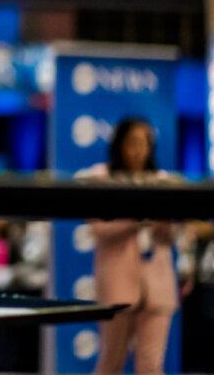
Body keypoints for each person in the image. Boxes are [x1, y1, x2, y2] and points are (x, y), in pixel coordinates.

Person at [83, 118, 178, 374]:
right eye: (133, 142)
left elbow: (171, 235)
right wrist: (137, 218)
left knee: (151, 365)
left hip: (157, 285)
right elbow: (99, 228)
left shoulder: (163, 181)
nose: (139, 149)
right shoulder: (100, 177)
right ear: (120, 144)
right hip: (118, 285)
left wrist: (164, 222)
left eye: (146, 142)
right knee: (111, 362)